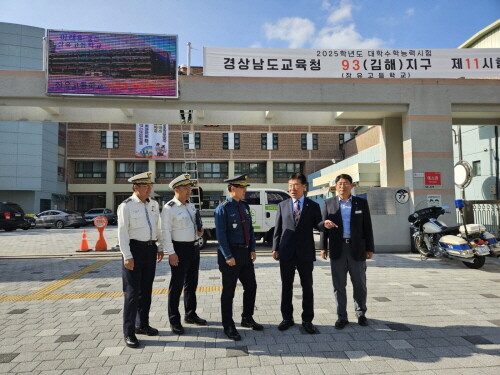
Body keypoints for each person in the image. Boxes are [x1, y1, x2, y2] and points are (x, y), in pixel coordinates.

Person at [320, 174, 374, 329]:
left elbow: (367, 227)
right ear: (335, 186)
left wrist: (370, 248)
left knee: (359, 283)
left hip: (356, 248)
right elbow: (324, 227)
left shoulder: (361, 203)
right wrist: (323, 247)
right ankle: (341, 316)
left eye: (345, 183)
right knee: (338, 285)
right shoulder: (328, 203)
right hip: (338, 248)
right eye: (339, 183)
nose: (342, 186)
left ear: (351, 185)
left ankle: (361, 313)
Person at [117, 171, 164, 348]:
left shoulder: (153, 204)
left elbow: (157, 226)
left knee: (146, 290)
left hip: (150, 249)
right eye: (145, 186)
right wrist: (127, 256)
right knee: (132, 293)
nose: (149, 189)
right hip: (134, 250)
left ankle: (142, 324)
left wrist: (159, 246)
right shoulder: (126, 206)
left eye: (150, 186)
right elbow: (122, 232)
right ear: (135, 187)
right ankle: (129, 332)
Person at [272, 172, 323, 334]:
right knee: (286, 286)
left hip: (305, 253)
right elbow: (278, 228)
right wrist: (275, 248)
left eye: (295, 185)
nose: (292, 189)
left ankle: (307, 320)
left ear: (304, 187)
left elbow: (319, 224)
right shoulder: (283, 205)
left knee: (307, 286)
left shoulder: (312, 206)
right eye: (290, 186)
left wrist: (325, 225)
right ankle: (287, 318)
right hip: (286, 252)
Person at [214, 174, 263, 341]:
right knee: (229, 291)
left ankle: (247, 318)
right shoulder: (223, 208)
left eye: (245, 187)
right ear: (232, 189)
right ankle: (228, 325)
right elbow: (221, 235)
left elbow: (250, 230)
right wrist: (228, 255)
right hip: (230, 255)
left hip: (245, 254)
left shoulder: (244, 207)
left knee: (251, 286)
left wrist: (253, 249)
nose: (245, 191)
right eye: (242, 188)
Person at [161, 174, 207, 335]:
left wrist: (198, 232)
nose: (189, 191)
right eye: (186, 188)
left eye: (190, 188)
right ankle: (175, 320)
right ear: (176, 189)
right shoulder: (169, 208)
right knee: (177, 286)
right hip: (179, 250)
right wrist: (171, 253)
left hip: (194, 248)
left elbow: (193, 224)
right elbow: (165, 232)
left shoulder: (190, 206)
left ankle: (190, 314)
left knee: (191, 284)